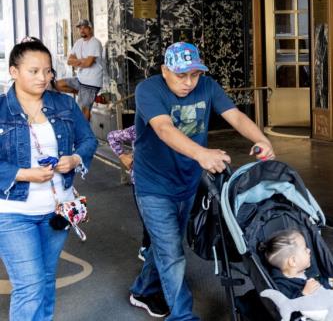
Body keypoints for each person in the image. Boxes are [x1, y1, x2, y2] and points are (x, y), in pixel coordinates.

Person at [129, 42, 275, 320]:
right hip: (153, 185)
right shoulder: (148, 90)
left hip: (187, 182)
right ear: (165, 70)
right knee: (171, 251)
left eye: (194, 75)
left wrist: (262, 139)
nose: (188, 82)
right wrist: (202, 154)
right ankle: (182, 315)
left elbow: (236, 116)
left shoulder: (207, 86)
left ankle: (142, 290)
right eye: (181, 75)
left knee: (166, 244)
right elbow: (163, 128)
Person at [0, 39, 97, 320]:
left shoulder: (64, 104)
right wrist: (22, 174)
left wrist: (75, 159)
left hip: (58, 210)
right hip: (13, 212)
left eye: (48, 71)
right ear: (14, 71)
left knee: (44, 280)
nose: (43, 77)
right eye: (34, 71)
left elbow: (88, 140)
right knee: (29, 286)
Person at [260, 229, 333, 321]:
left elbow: (322, 285)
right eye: (305, 249)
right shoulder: (281, 283)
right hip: (305, 315)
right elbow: (286, 306)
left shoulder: (306, 273)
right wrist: (303, 293)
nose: (309, 250)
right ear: (293, 261)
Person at [107, 125, 150, 261]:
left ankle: (148, 249)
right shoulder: (138, 129)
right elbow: (112, 136)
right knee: (149, 221)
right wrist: (122, 156)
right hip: (141, 183)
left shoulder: (172, 130)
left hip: (165, 184)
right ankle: (146, 250)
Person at [55, 19, 103, 120]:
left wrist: (77, 62)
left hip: (91, 83)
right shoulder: (78, 42)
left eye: (85, 27)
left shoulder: (95, 43)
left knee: (82, 112)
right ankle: (84, 94)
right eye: (80, 28)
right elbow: (69, 61)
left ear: (91, 29)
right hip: (80, 79)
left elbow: (88, 63)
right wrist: (82, 61)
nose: (82, 30)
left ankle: (84, 134)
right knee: (57, 84)